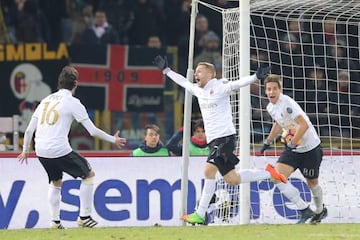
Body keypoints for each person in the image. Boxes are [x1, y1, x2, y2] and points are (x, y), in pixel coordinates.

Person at [153, 55, 286, 225]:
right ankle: (270, 173)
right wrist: (167, 70)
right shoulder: (198, 90)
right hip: (214, 140)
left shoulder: (220, 86)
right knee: (233, 179)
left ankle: (200, 214)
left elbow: (237, 84)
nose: (196, 74)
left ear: (210, 74)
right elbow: (183, 82)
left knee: (209, 171)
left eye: (199, 71)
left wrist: (255, 77)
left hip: (224, 138)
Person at [17, 66, 127, 229]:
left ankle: (55, 221)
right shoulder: (73, 102)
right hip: (58, 149)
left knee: (55, 181)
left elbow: (28, 130)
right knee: (88, 175)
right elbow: (92, 131)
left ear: (59, 83)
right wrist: (113, 139)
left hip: (41, 150)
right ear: (75, 84)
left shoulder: (45, 100)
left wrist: (25, 150)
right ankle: (84, 217)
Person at [260, 74, 327, 224]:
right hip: (293, 149)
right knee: (276, 176)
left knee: (312, 184)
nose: (271, 92)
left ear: (280, 89)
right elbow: (279, 123)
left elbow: (304, 125)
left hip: (310, 148)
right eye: (269, 89)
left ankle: (320, 210)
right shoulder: (270, 107)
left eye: (275, 89)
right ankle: (304, 209)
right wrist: (268, 141)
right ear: (265, 91)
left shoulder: (288, 104)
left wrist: (293, 142)